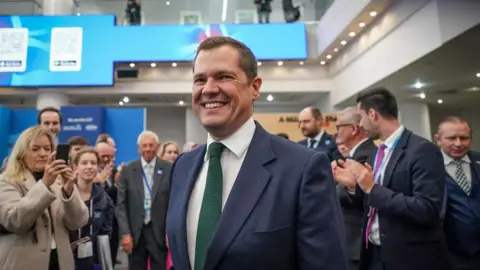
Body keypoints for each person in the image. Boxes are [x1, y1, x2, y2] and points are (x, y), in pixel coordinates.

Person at [167, 36, 348, 270]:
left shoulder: (302, 168)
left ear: (254, 88)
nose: (209, 89)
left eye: (224, 76)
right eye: (200, 79)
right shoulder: (182, 166)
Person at [332, 87, 448, 270]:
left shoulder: (422, 150)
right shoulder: (378, 153)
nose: (360, 125)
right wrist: (354, 187)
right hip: (376, 254)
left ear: (372, 114)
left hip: (409, 258)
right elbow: (373, 203)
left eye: (361, 117)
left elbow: (427, 209)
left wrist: (372, 188)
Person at [0, 126, 89, 270]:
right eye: (35, 149)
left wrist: (69, 191)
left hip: (60, 262)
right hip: (22, 263)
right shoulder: (6, 181)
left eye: (47, 149)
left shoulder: (60, 180)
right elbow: (15, 220)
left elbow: (78, 222)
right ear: (21, 153)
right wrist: (45, 183)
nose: (43, 154)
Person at [116, 130, 172, 270]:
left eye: (151, 145)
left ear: (157, 146)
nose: (147, 149)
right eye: (144, 146)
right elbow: (121, 205)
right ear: (138, 148)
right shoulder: (128, 170)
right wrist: (125, 233)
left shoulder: (168, 168)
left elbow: (173, 203)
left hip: (159, 232)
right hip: (135, 234)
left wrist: (170, 232)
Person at [334, 107, 378, 270]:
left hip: (358, 241)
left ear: (352, 129)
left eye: (339, 127)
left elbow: (364, 197)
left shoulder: (365, 156)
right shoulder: (354, 156)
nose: (336, 132)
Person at [435, 117, 480, 270]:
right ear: (438, 139)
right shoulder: (428, 166)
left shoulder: (479, 160)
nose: (458, 144)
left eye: (464, 138)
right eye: (451, 138)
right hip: (452, 254)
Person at [70, 148, 114, 270]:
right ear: (75, 167)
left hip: (92, 259)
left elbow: (105, 235)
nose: (89, 167)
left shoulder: (104, 199)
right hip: (66, 258)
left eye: (93, 163)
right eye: (84, 163)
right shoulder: (65, 194)